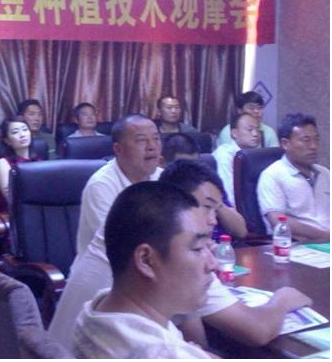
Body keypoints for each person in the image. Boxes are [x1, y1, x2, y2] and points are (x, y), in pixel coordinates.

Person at [49, 159, 311, 352]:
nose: (212, 220)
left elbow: (189, 331)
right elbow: (256, 330)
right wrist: (283, 299)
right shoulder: (170, 250)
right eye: (206, 207)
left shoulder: (103, 298)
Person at [72, 181, 215, 359]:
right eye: (198, 248)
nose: (212, 264)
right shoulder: (163, 354)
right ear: (146, 260)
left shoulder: (97, 310)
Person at [76, 114, 163, 256]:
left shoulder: (163, 178)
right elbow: (118, 244)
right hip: (108, 265)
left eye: (156, 138)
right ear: (118, 149)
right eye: (141, 140)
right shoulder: (101, 186)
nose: (152, 147)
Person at [161, 134, 247, 240]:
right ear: (163, 163)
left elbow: (241, 232)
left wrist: (214, 203)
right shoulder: (164, 193)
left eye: (193, 164)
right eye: (183, 165)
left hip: (224, 246)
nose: (190, 170)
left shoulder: (208, 184)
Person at [258, 113, 330, 240]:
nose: (313, 146)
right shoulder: (272, 175)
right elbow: (278, 221)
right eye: (306, 140)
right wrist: (326, 236)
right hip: (300, 246)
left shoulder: (325, 173)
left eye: (316, 139)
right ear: (285, 143)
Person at [0, 116, 40, 212]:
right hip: (15, 213)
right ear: (7, 140)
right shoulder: (3, 163)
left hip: (40, 209)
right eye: (15, 132)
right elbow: (11, 197)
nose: (22, 135)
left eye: (25, 130)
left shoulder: (39, 161)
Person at [212, 113, 261, 207]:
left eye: (257, 129)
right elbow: (229, 195)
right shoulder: (225, 155)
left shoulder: (256, 155)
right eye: (250, 129)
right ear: (234, 133)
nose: (255, 134)